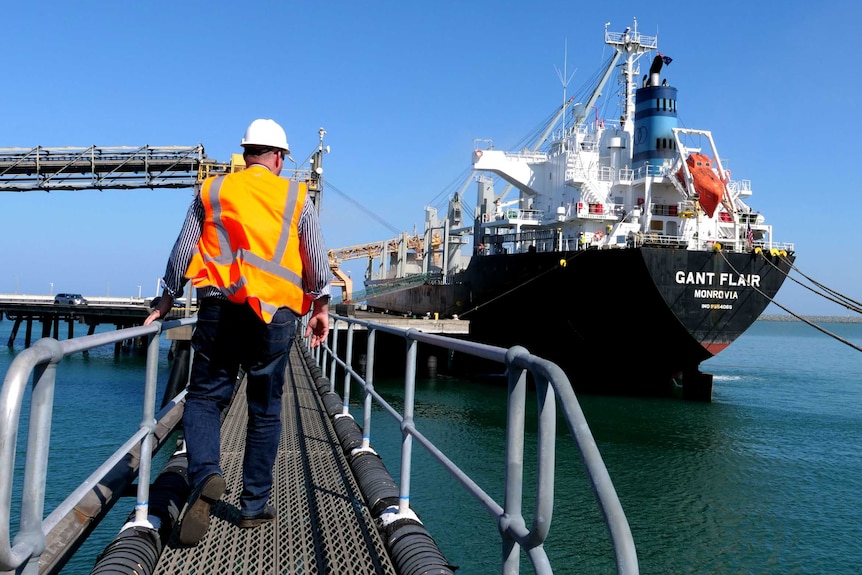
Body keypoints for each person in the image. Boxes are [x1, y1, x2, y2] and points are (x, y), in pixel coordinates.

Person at [144, 118, 333, 546]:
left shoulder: (212, 190)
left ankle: (207, 472)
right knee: (265, 408)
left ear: (245, 153)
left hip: (219, 306)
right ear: (280, 158)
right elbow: (315, 258)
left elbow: (184, 247)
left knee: (207, 396)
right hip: (277, 314)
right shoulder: (296, 196)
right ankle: (252, 506)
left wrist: (167, 298)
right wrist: (320, 306)